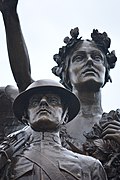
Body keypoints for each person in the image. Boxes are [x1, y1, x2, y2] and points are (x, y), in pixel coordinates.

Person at [0, 0, 118, 178]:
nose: (89, 61)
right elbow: (24, 79)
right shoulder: (46, 114)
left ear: (106, 70)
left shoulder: (117, 123)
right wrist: (9, 14)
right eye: (79, 57)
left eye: (97, 57)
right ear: (65, 71)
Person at [0, 79, 107, 179]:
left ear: (65, 116)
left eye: (53, 100)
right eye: (35, 101)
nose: (43, 102)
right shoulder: (7, 167)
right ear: (25, 115)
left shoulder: (91, 166)